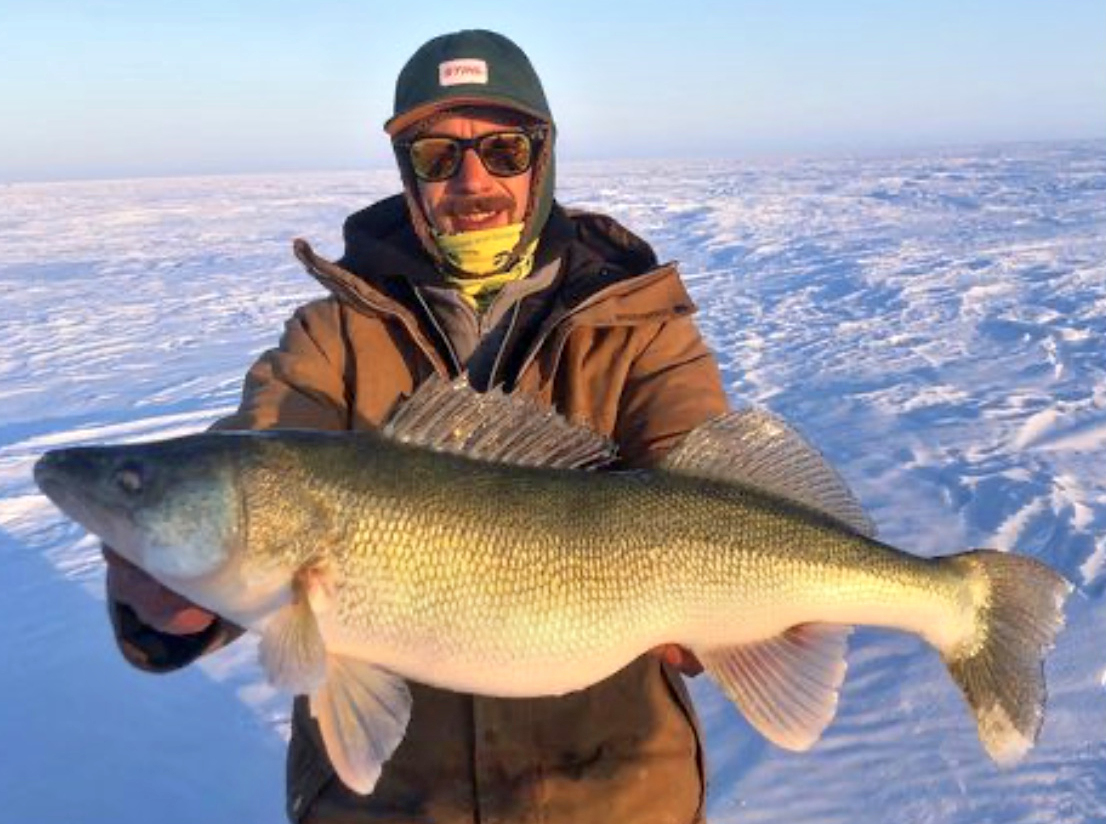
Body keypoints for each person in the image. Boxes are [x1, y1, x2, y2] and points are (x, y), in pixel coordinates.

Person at [104, 29, 730, 824]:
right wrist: (171, 609)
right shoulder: (330, 339)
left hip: (616, 793)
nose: (473, 180)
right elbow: (259, 477)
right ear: (409, 175)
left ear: (544, 158)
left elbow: (709, 480)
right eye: (437, 157)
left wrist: (748, 621)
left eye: (504, 149)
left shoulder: (640, 327)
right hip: (390, 806)